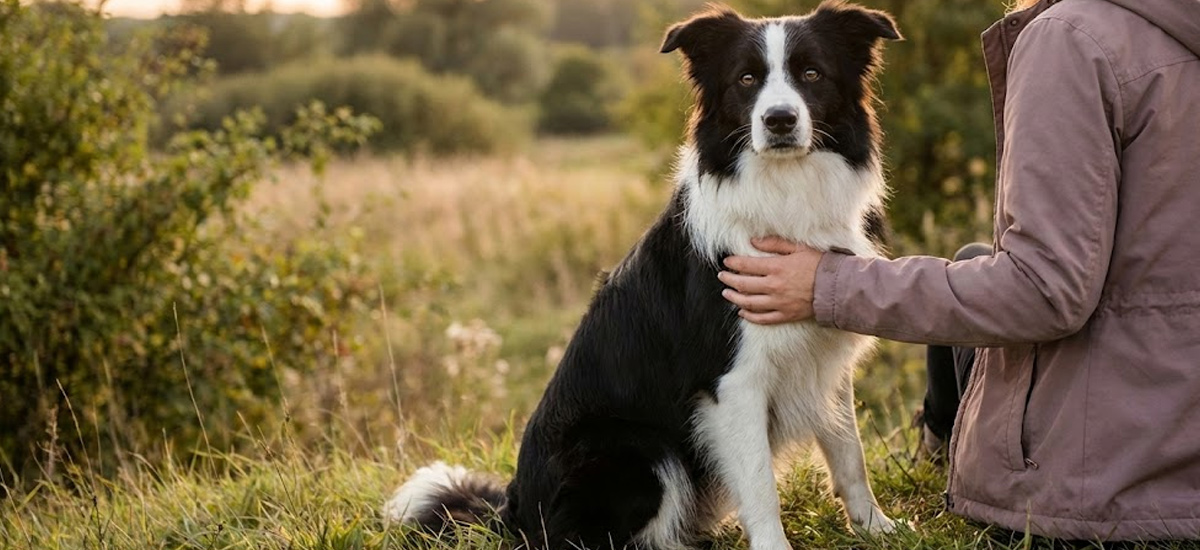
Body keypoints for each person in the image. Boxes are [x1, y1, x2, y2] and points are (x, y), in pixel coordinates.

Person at [716, 0, 1200, 541]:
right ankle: (938, 442)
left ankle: (945, 445)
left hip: (1107, 483)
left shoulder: (1074, 37)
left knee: (978, 277)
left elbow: (1044, 291)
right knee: (973, 262)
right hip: (1179, 419)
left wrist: (830, 283)